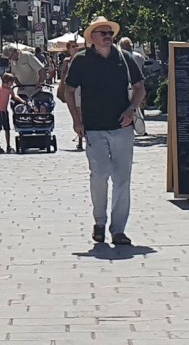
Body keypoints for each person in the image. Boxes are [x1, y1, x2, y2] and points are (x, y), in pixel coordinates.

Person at [65, 16, 145, 246]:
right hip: (94, 128)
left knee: (122, 179)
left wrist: (131, 109)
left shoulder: (124, 58)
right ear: (92, 37)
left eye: (110, 33)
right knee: (99, 175)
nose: (108, 37)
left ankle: (118, 229)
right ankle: (99, 222)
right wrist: (76, 120)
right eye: (103, 33)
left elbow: (140, 88)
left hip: (122, 127)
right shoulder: (81, 60)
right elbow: (69, 90)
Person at [56, 39, 83, 149]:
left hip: (81, 88)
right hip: (71, 89)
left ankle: (82, 137)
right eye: (73, 46)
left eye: (76, 46)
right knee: (76, 113)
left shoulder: (82, 59)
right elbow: (63, 76)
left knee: (82, 113)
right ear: (68, 49)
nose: (76, 48)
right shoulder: (67, 61)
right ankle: (80, 136)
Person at [118, 37, 148, 134]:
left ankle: (129, 125)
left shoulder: (120, 57)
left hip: (126, 85)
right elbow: (143, 72)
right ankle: (141, 126)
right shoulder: (139, 56)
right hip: (139, 83)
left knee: (128, 105)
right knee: (139, 105)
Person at [0, 72, 21, 153]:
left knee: (7, 128)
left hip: (5, 111)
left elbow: (14, 96)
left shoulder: (9, 90)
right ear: (6, 81)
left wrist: (21, 100)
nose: (12, 84)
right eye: (11, 82)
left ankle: (8, 145)